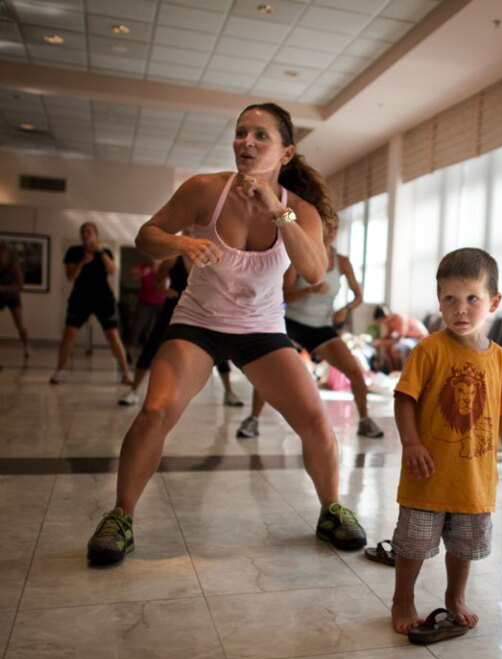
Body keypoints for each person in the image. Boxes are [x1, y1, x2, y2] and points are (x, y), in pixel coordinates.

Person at [85, 102, 366, 565]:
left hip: (261, 330)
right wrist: (180, 242)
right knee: (156, 410)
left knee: (315, 420)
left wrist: (277, 209)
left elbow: (314, 270)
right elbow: (145, 236)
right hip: (197, 323)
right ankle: (121, 517)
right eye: (241, 133)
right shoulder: (205, 190)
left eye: (261, 136)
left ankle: (331, 510)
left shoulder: (301, 211)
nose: (247, 143)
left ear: (286, 152)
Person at [390, 248, 502, 636]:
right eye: (450, 299)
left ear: (494, 302)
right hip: (427, 475)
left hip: (473, 478)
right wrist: (411, 443)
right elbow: (405, 399)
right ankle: (403, 599)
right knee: (414, 542)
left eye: (472, 299)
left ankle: (455, 596)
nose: (460, 309)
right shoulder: (429, 349)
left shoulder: (499, 358)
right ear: (439, 302)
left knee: (465, 545)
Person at [236, 214, 383, 439]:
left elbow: (358, 296)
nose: (332, 231)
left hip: (321, 327)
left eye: (336, 227)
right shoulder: (300, 256)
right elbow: (284, 293)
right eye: (328, 227)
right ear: (318, 228)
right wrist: (309, 290)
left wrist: (346, 308)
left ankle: (365, 421)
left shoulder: (341, 262)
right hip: (292, 323)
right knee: (271, 371)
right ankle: (252, 420)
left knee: (354, 371)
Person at [118, 255, 244, 408]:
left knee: (217, 345)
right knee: (153, 344)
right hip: (174, 308)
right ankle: (134, 390)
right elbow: (157, 283)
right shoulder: (172, 259)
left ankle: (229, 392)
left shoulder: (210, 258)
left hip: (202, 308)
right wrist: (165, 291)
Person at [50, 222, 132, 385]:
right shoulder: (73, 251)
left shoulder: (105, 251)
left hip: (103, 299)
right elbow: (70, 276)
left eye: (89, 232)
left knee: (113, 336)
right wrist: (82, 262)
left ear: (95, 235)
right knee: (69, 334)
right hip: (80, 299)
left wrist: (99, 252)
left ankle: (125, 373)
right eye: (83, 232)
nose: (86, 234)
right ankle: (60, 371)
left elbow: (112, 270)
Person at [124, 258, 166, 360]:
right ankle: (130, 352)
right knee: (137, 327)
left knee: (160, 328)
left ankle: (160, 352)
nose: (155, 259)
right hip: (145, 302)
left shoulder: (164, 268)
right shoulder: (143, 267)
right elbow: (131, 275)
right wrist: (144, 272)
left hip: (161, 303)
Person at [372, 305, 428, 372]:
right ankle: (393, 372)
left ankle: (400, 373)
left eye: (381, 321)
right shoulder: (388, 322)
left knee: (395, 348)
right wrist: (380, 342)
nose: (382, 323)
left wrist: (381, 342)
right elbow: (387, 337)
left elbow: (399, 338)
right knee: (385, 348)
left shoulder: (400, 317)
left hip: (420, 338)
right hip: (408, 338)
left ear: (385, 315)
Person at [0, 241, 30, 358]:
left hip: (12, 296)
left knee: (20, 324)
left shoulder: (13, 266)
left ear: (8, 255)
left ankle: (27, 347)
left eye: (3, 254)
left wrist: (5, 288)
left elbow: (20, 285)